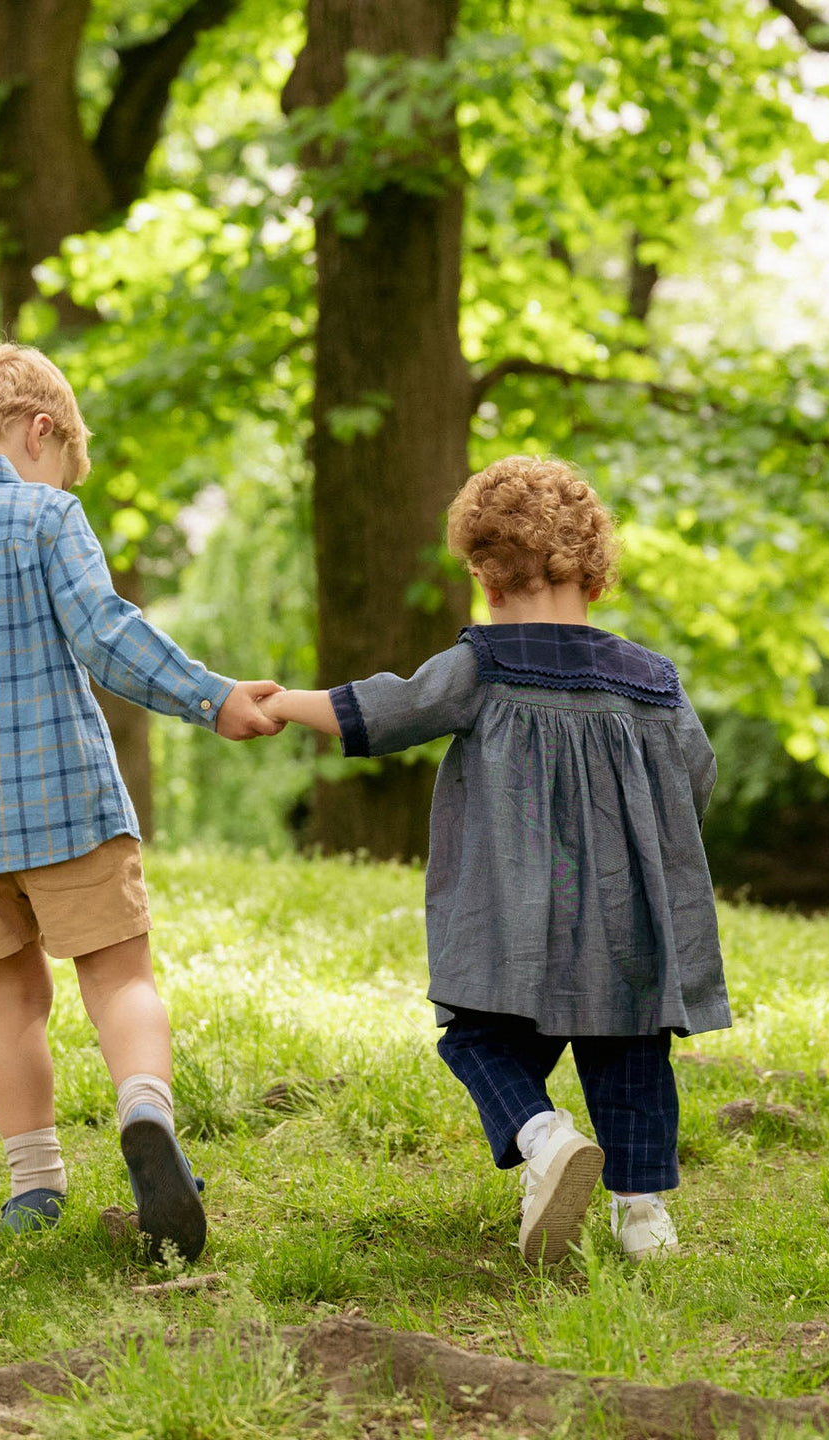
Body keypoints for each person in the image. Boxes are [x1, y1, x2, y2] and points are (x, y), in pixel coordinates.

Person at [0, 342, 283, 1261]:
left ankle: (33, 1184)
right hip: (64, 803)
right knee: (119, 976)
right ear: (41, 432)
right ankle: (145, 1110)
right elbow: (108, 635)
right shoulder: (44, 517)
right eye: (64, 458)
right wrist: (211, 697)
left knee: (9, 994)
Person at [258, 455, 729, 1264]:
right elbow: (697, 778)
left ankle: (544, 1141)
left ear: (487, 575)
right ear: (593, 567)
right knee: (631, 1052)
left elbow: (391, 709)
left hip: (517, 921)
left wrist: (280, 704)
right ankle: (644, 1218)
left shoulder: (485, 663)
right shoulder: (653, 680)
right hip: (628, 924)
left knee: (478, 1041)